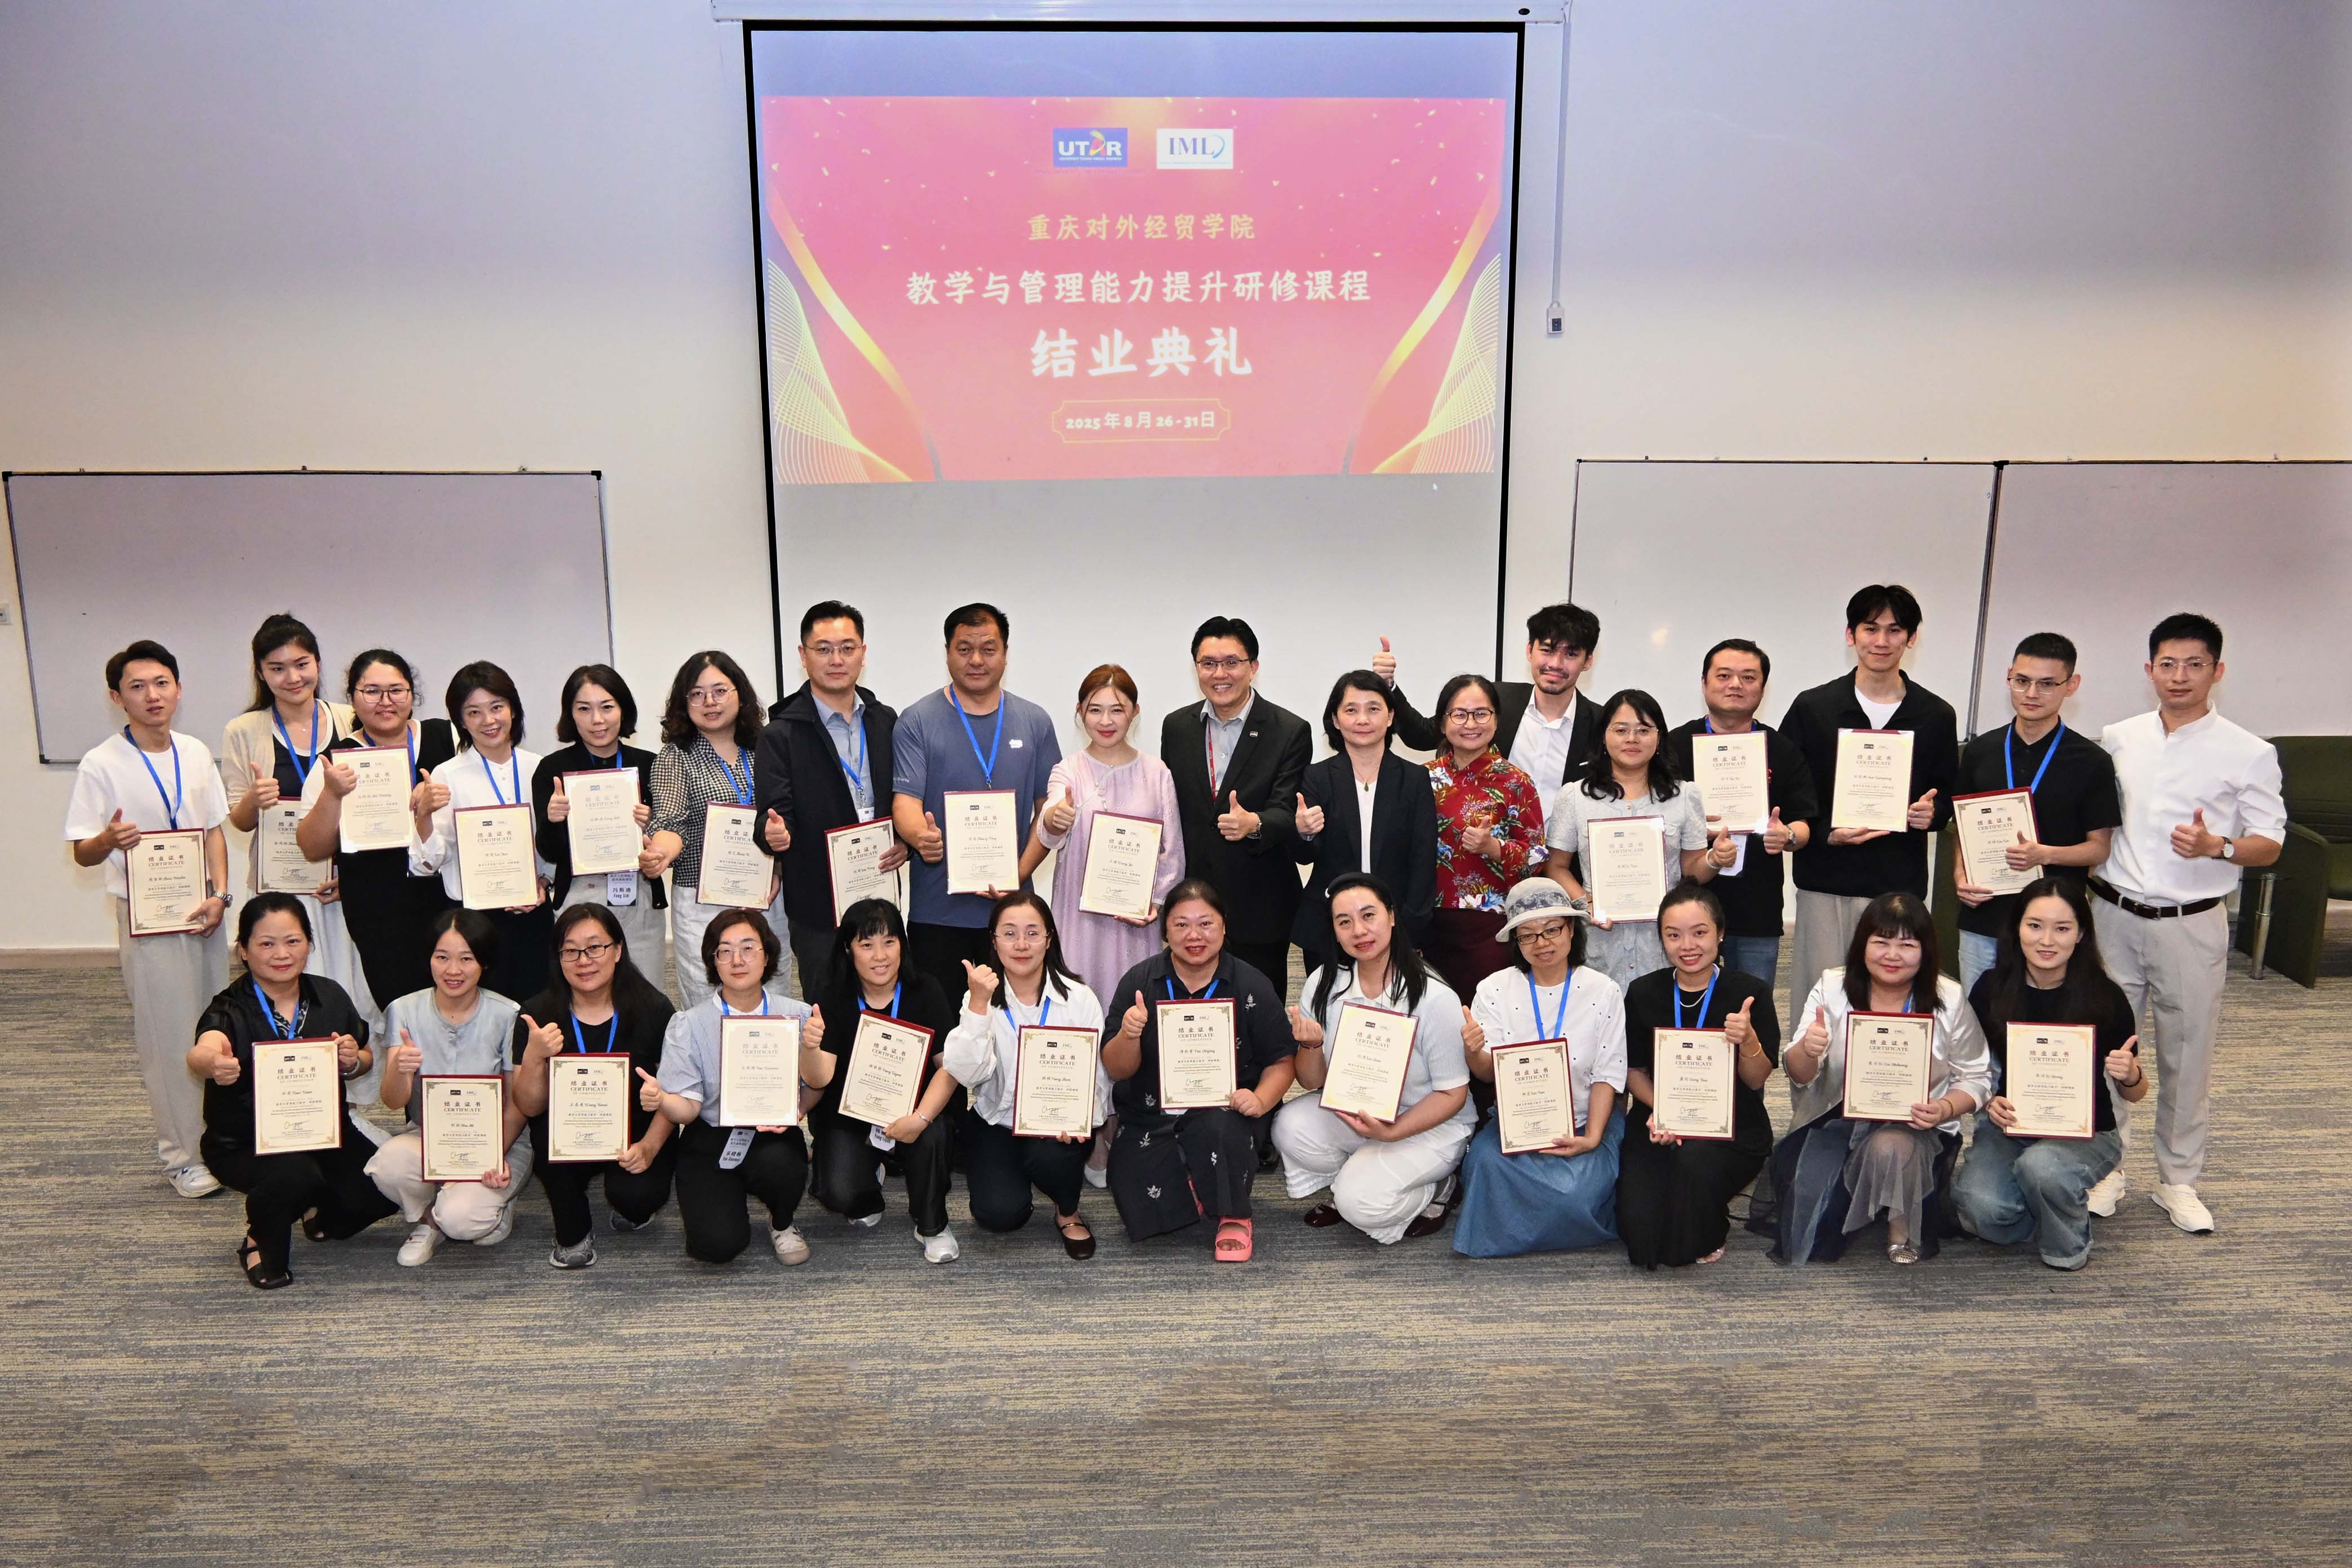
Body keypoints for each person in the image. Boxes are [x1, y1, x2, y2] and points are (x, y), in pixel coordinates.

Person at [2085, 612, 2283, 1234]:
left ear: (2217, 671)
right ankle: (2106, 1166)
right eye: (2167, 664)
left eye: (2194, 664)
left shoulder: (2249, 752)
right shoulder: (2117, 737)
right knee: (2109, 1046)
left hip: (2191, 923)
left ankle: (2179, 1180)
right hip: (2112, 913)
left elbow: (2271, 843)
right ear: (2149, 671)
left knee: (2186, 1052)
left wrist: (2218, 847)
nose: (2180, 676)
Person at [64, 639, 233, 1199]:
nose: (152, 695)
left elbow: (213, 832)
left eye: (162, 683)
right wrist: (108, 839)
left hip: (205, 914)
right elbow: (82, 853)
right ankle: (180, 1155)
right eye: (137, 687)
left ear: (178, 689)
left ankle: (220, 1141)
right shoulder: (101, 763)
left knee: (217, 1029)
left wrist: (222, 895)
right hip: (148, 921)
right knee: (166, 1038)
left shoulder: (195, 751)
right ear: (117, 698)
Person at [1761, 893, 1992, 1266]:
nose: (1892, 955)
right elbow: (1798, 1075)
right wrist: (1807, 1048)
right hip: (1837, 1119)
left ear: (1926, 949)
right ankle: (1865, 1194)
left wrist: (1945, 1107)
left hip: (1917, 1126)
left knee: (1891, 1146)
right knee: (1812, 1236)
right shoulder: (1832, 988)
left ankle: (1899, 1226)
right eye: (1881, 942)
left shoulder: (1948, 998)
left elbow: (1978, 1077)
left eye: (1907, 944)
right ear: (1862, 944)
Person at [186, 893, 396, 1288]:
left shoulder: (329, 995)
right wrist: (213, 1064)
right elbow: (203, 1049)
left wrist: (354, 1060)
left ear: (309, 945)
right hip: (248, 1142)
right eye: (266, 944)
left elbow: (364, 1056)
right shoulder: (230, 1007)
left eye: (293, 941)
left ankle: (316, 1215)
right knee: (297, 1177)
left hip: (323, 1133)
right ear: (244, 952)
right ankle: (256, 1240)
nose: (281, 954)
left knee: (386, 1188)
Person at [1780, 585, 1961, 1010]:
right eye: (1870, 628)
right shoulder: (1814, 707)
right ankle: (1814, 1082)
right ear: (1851, 635)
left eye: (1895, 630)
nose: (1881, 641)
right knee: (1820, 1004)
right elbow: (1789, 793)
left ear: (1911, 638)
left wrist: (1931, 814)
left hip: (1898, 884)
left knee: (1891, 1010)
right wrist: (1826, 832)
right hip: (1827, 880)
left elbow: (1948, 798)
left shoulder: (1936, 715)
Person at [1099, 880, 1297, 1261]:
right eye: (1181, 925)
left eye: (1206, 924)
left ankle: (1234, 1215)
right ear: (1165, 931)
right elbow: (1117, 1069)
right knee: (1133, 1196)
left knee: (1219, 1132)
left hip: (1228, 1112)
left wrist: (1261, 1099)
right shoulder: (1139, 983)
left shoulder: (1251, 983)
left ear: (1224, 927)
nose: (1195, 936)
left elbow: (1281, 1060)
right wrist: (1128, 1034)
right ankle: (1193, 1180)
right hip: (1151, 1112)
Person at [1953, 879, 2144, 1269]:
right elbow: (1968, 1066)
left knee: (2043, 1168)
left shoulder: (2104, 996)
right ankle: (2038, 1207)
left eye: (2062, 929)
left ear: (2081, 935)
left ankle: (2068, 1243)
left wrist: (2130, 1075)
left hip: (2087, 1133)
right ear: (2017, 929)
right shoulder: (1992, 988)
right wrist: (1990, 1100)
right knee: (1982, 1210)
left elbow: (2136, 1093)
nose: (2047, 941)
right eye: (2034, 925)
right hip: (2011, 1125)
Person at [1273, 875, 1474, 1245]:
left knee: (1360, 1204)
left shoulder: (1433, 996)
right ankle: (1362, 1172)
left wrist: (1394, 1132)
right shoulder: (1322, 984)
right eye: (1344, 922)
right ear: (1334, 931)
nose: (1359, 931)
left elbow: (1452, 1094)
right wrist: (1312, 1046)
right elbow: (1312, 1082)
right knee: (1290, 1126)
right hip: (1360, 1112)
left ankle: (1438, 1187)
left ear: (1392, 917)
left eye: (1369, 916)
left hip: (1430, 1123)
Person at [295, 649, 460, 1083]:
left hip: (452, 902)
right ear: (353, 697)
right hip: (380, 913)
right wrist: (332, 795)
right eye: (371, 691)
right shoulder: (338, 759)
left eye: (396, 691)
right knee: (409, 1020)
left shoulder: (447, 739)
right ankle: (421, 1122)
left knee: (463, 1009)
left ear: (413, 694)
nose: (385, 702)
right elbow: (312, 847)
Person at [891, 603, 1064, 1001]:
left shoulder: (1034, 721)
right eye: (964, 648)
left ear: (1005, 653)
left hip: (1014, 919)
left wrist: (1017, 874)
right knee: (946, 1035)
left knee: (1015, 1031)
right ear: (948, 652)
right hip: (937, 912)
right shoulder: (917, 720)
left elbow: (1049, 815)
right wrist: (921, 837)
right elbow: (905, 803)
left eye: (988, 649)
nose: (976, 660)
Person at [1452, 879, 1625, 1258]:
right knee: (1483, 1163)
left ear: (1572, 929)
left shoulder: (1603, 991)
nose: (1542, 943)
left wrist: (1592, 1138)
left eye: (1552, 930)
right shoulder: (1494, 989)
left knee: (1578, 1191)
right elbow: (1485, 1074)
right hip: (1519, 1123)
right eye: (1528, 935)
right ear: (1515, 942)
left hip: (1584, 1118)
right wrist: (1474, 1052)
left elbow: (1608, 1075)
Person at [644, 909, 822, 1267]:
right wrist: (664, 1100)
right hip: (709, 1134)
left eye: (748, 948)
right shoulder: (689, 1024)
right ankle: (728, 1196)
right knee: (716, 1246)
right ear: (713, 961)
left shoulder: (798, 1015)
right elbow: (690, 1109)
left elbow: (815, 1086)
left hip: (772, 1131)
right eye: (724, 951)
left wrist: (796, 1111)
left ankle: (781, 1220)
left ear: (767, 955)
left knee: (783, 1165)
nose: (737, 960)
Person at [1615, 883, 1780, 1269]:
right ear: (1662, 940)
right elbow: (1633, 1072)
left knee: (1681, 1241)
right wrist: (1666, 1110)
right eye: (1674, 936)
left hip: (1730, 1126)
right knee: (1639, 1234)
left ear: (1720, 933)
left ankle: (1710, 1219)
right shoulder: (1643, 992)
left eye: (1700, 932)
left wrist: (1749, 1040)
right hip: (1658, 1119)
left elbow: (1757, 1081)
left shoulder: (1749, 992)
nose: (1687, 945)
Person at [218, 614, 369, 1030]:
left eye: (301, 664)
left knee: (347, 992)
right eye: (277, 668)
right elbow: (238, 820)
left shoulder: (351, 718)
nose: (292, 677)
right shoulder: (242, 730)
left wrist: (353, 874)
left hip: (337, 886)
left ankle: (347, 1092)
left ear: (318, 664)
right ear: (262, 674)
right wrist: (253, 799)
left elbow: (370, 808)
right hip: (280, 886)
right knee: (284, 994)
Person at [507, 903, 679, 1269]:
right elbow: (528, 1105)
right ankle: (573, 1231)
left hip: (635, 1128)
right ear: (558, 957)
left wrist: (649, 1147)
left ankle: (635, 1205)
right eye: (570, 950)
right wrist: (536, 1056)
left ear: (617, 950)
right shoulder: (537, 1013)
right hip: (568, 1130)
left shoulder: (655, 1008)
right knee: (544, 1136)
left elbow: (677, 1093)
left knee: (636, 1196)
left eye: (595, 947)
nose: (583, 960)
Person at [940, 892, 1108, 1258]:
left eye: (1033, 934)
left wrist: (1081, 1122)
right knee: (998, 1215)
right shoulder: (980, 996)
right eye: (1010, 933)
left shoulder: (1080, 999)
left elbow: (1096, 1078)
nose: (1021, 945)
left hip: (1056, 1125)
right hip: (996, 1120)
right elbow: (967, 1072)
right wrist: (979, 1006)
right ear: (994, 942)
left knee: (1055, 1156)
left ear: (1049, 939)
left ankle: (1068, 1212)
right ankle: (1020, 1179)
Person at [1951, 632, 2122, 991]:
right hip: (1984, 917)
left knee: (2041, 1028)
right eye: (2022, 681)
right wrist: (1959, 874)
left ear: (2071, 685)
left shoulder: (2091, 761)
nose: (2031, 694)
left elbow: (2099, 849)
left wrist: (2044, 854)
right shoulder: (1981, 751)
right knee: (1979, 1028)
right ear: (2009, 676)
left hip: (2053, 930)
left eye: (2047, 684)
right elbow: (1962, 830)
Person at [754, 600, 903, 997]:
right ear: (803, 656)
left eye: (847, 648)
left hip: (880, 890)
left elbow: (903, 798)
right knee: (828, 1013)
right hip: (818, 902)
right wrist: (774, 835)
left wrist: (906, 839)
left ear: (863, 654)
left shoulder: (887, 720)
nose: (836, 659)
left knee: (886, 1007)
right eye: (823, 649)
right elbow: (769, 817)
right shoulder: (780, 734)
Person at [366, 910, 531, 1267]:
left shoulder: (507, 1014)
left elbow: (516, 1105)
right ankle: (428, 1219)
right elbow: (393, 1100)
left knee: (464, 1221)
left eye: (466, 959)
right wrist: (400, 1069)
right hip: (429, 1135)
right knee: (387, 1165)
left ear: (484, 963)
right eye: (442, 957)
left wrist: (489, 1154)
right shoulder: (404, 1010)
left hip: (500, 1142)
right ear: (429, 959)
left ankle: (476, 1207)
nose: (453, 970)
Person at [800, 897, 960, 1262]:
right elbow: (819, 1078)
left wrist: (920, 1118)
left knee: (935, 1132)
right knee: (838, 1193)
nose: (880, 956)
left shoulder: (925, 990)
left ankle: (932, 1224)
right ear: (848, 949)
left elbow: (949, 1067)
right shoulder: (833, 995)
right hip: (851, 1117)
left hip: (915, 1111)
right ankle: (870, 1183)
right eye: (866, 944)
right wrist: (809, 1049)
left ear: (903, 944)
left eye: (889, 942)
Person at [1159, 615, 1313, 991]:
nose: (1219, 673)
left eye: (1232, 663)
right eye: (1208, 663)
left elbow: (1288, 808)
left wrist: (1255, 824)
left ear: (1253, 667)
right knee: (1193, 1021)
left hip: (1260, 905)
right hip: (1192, 908)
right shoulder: (1176, 727)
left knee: (1259, 1020)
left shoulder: (1289, 729)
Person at [1541, 689, 1727, 990]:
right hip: (1600, 942)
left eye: (1643, 730)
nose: (1632, 739)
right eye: (1621, 730)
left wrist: (1714, 860)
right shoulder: (1575, 796)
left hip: (1664, 945)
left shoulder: (1684, 796)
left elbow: (1692, 870)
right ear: (1604, 736)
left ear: (1659, 739)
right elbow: (1556, 866)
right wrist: (1586, 903)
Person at [1661, 638, 1816, 992]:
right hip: (1687, 906)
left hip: (1756, 907)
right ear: (1704, 683)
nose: (1735, 685)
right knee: (1687, 1007)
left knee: (1753, 1005)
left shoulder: (1782, 749)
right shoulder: (1673, 746)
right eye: (1724, 675)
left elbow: (1805, 821)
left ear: (1763, 688)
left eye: (1748, 677)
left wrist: (1788, 836)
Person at [1380, 602, 1605, 832]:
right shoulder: (1493, 702)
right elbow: (1422, 736)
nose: (1556, 664)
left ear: (1588, 661)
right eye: (1547, 650)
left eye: (1571, 654)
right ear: (1530, 650)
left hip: (1564, 863)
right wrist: (1387, 685)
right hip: (1488, 857)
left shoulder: (1603, 724)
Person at [646, 651, 787, 1010]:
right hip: (702, 902)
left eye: (720, 691)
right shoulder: (676, 757)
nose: (709, 702)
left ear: (740, 694)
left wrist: (780, 868)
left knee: (775, 991)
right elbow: (669, 821)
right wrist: (659, 853)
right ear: (684, 703)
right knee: (709, 1002)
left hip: (766, 894)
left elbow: (787, 816)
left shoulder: (766, 748)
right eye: (697, 693)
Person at [408, 661, 554, 1003]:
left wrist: (544, 883)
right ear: (460, 721)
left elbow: (552, 848)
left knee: (537, 1013)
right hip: (474, 927)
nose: (488, 721)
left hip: (534, 915)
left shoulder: (541, 768)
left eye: (497, 707)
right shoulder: (445, 775)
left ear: (513, 710)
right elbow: (425, 864)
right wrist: (424, 816)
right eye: (474, 712)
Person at [1291, 671, 1437, 976]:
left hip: (1397, 928)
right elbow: (1305, 856)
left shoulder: (1415, 779)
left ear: (1390, 716)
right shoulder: (1317, 776)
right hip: (1328, 927)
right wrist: (1304, 833)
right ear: (1335, 719)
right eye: (1351, 710)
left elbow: (1423, 860)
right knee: (1329, 1017)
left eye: (1373, 709)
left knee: (1391, 1020)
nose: (1362, 719)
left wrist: (1412, 931)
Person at [533, 664, 665, 983]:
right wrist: (552, 821)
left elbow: (667, 836)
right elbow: (549, 852)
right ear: (570, 715)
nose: (597, 720)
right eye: (584, 709)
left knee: (645, 993)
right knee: (584, 993)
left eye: (607, 707)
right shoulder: (552, 768)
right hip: (579, 895)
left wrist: (649, 828)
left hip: (639, 896)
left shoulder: (650, 763)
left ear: (623, 710)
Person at [1421, 672, 1548, 1003]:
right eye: (1459, 714)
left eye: (1481, 713)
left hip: (1490, 928)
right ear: (1443, 722)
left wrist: (1495, 848)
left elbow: (1537, 857)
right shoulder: (1422, 778)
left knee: (1487, 1020)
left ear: (1496, 720)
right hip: (1426, 922)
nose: (1470, 724)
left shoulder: (1516, 781)